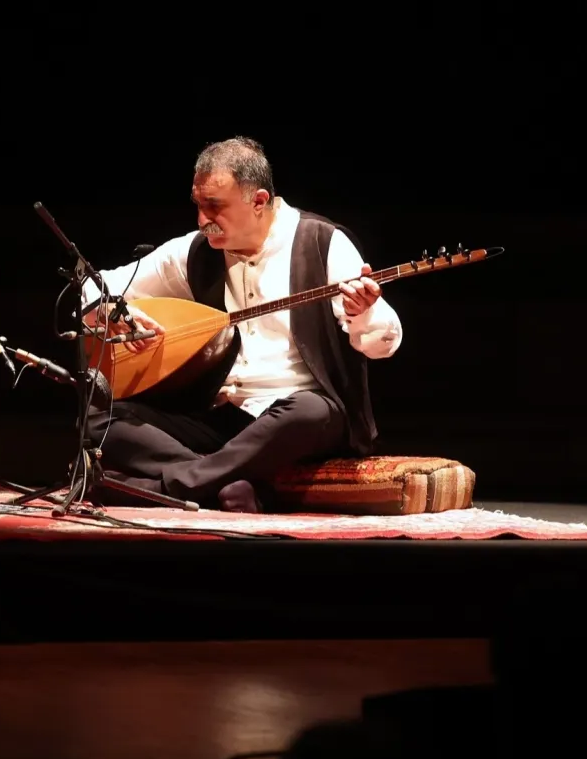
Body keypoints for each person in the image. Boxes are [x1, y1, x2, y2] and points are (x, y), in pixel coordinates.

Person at [78, 136, 403, 512]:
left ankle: (168, 487)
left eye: (214, 206)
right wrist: (109, 311)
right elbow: (94, 286)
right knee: (100, 416)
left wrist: (362, 312)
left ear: (259, 201)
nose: (202, 220)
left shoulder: (321, 242)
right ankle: (228, 484)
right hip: (222, 416)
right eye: (198, 205)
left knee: (310, 411)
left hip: (294, 417)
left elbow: (384, 343)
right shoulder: (196, 251)